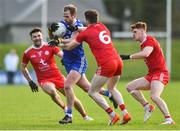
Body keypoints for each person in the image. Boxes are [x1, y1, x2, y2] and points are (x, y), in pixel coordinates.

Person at [56, 9, 131, 125]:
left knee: (92, 92)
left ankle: (112, 115)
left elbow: (69, 47)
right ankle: (125, 113)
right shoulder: (103, 27)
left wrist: (57, 44)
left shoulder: (85, 33)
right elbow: (87, 29)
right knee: (111, 88)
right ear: (97, 19)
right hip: (118, 60)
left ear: (86, 20)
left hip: (107, 63)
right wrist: (76, 28)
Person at [21, 27, 93, 123]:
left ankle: (85, 116)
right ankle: (65, 108)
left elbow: (62, 54)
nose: (37, 38)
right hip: (44, 79)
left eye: (39, 36)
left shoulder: (50, 46)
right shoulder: (27, 52)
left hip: (57, 76)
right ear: (31, 39)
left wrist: (64, 59)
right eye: (34, 37)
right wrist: (30, 81)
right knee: (52, 91)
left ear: (42, 36)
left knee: (72, 98)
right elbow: (23, 67)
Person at [120, 22, 175, 125]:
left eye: (135, 32)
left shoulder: (149, 40)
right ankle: (147, 107)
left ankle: (169, 119)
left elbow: (146, 53)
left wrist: (128, 57)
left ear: (142, 31)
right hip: (152, 74)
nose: (133, 34)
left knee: (154, 96)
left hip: (160, 72)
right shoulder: (143, 43)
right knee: (130, 87)